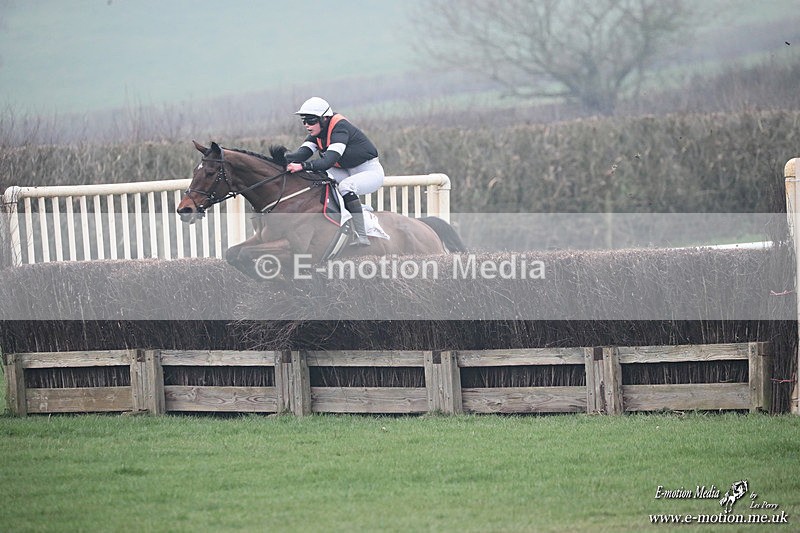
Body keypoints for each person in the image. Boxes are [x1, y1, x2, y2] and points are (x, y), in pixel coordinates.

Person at [285, 97, 385, 246]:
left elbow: (327, 161)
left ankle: (362, 235)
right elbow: (301, 154)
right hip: (345, 171)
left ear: (324, 118)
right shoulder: (317, 132)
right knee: (316, 178)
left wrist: (303, 166)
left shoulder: (340, 128)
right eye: (304, 121)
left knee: (345, 186)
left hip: (368, 171)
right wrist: (279, 159)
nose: (307, 125)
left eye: (311, 120)